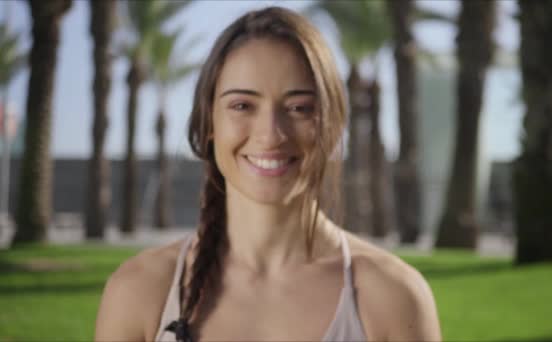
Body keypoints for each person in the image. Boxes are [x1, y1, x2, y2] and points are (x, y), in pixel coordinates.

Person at [95, 6, 441, 342]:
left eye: (299, 108)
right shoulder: (138, 292)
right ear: (208, 121)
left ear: (333, 126)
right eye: (242, 105)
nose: (271, 134)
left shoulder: (393, 298)